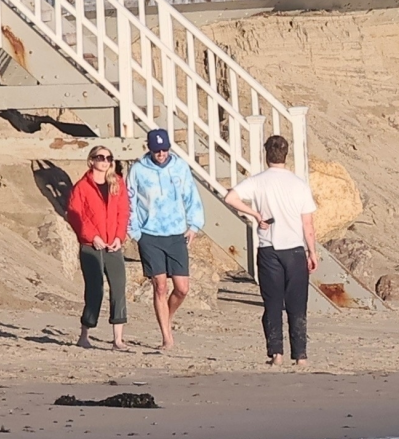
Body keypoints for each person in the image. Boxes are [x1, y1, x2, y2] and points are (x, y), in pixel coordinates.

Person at [223, 135, 318, 367]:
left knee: (273, 303)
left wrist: (255, 214)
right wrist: (312, 252)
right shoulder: (299, 184)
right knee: (297, 305)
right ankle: (301, 356)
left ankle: (276, 354)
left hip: (269, 249)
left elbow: (230, 197)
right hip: (294, 249)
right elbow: (308, 225)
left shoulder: (258, 181)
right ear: (286, 155)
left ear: (267, 155)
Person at [126, 128, 205, 350]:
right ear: (149, 148)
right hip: (149, 234)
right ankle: (166, 337)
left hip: (176, 233)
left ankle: (166, 318)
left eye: (164, 149)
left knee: (182, 288)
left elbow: (191, 195)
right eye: (156, 150)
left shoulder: (180, 167)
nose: (161, 153)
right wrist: (134, 232)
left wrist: (195, 224)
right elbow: (129, 200)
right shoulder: (138, 170)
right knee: (159, 286)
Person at [66, 145, 131, 350]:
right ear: (91, 160)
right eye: (100, 157)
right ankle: (84, 333)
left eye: (108, 158)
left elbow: (123, 213)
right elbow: (75, 215)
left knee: (118, 287)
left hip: (113, 245)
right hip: (90, 245)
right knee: (95, 290)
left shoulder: (117, 184)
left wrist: (119, 238)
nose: (104, 161)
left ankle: (118, 338)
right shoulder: (82, 187)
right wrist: (91, 236)